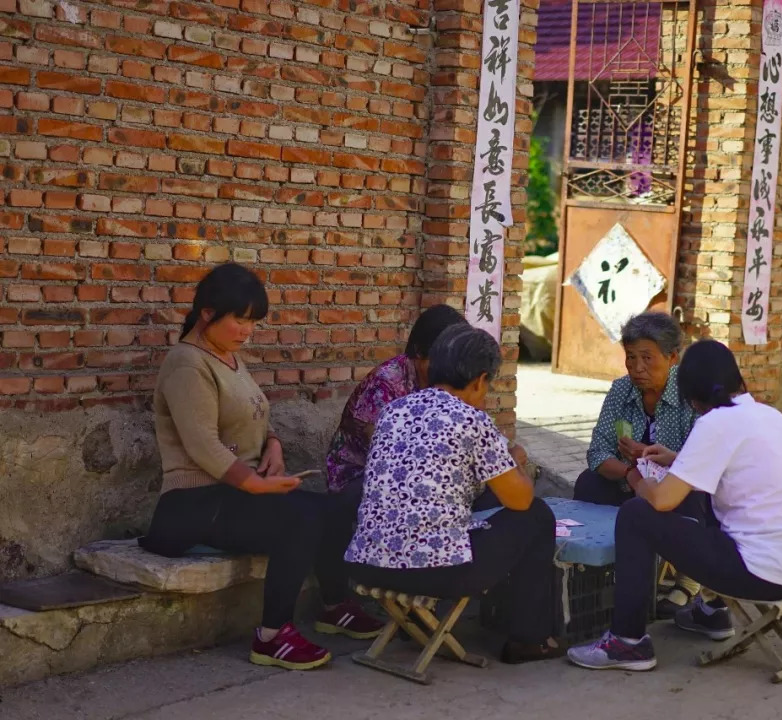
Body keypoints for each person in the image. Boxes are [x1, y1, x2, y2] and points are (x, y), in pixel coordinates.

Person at [140, 263, 381, 672]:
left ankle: (335, 605)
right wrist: (253, 483)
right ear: (207, 314)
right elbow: (202, 445)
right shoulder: (187, 363)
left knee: (334, 507)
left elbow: (254, 415)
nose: (246, 330)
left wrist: (273, 446)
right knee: (300, 518)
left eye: (253, 321)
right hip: (191, 505)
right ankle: (272, 636)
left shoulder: (228, 358)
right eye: (239, 319)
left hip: (231, 496)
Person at [567, 340, 782, 671]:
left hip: (765, 574)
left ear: (692, 396)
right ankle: (712, 611)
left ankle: (627, 641)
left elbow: (662, 500)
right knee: (709, 495)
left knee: (637, 515)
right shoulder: (769, 415)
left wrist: (635, 475)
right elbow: (736, 468)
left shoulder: (714, 423)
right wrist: (679, 459)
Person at [346, 323, 565, 664]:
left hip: (368, 565)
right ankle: (529, 638)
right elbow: (519, 500)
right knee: (536, 516)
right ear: (480, 380)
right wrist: (514, 461)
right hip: (434, 573)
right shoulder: (472, 420)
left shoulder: (394, 411)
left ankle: (413, 622)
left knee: (469, 508)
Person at [573, 311, 702, 615]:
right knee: (588, 483)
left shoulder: (691, 396)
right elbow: (598, 452)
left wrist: (651, 457)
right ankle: (599, 566)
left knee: (696, 494)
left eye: (647, 358)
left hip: (673, 489)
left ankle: (688, 578)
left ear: (672, 358)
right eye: (631, 358)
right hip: (630, 485)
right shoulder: (622, 390)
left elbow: (697, 461)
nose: (637, 368)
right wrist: (631, 473)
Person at [326, 304, 466, 500]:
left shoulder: (445, 381)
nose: (447, 367)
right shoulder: (384, 384)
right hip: (359, 479)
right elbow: (386, 457)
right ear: (418, 351)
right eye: (440, 359)